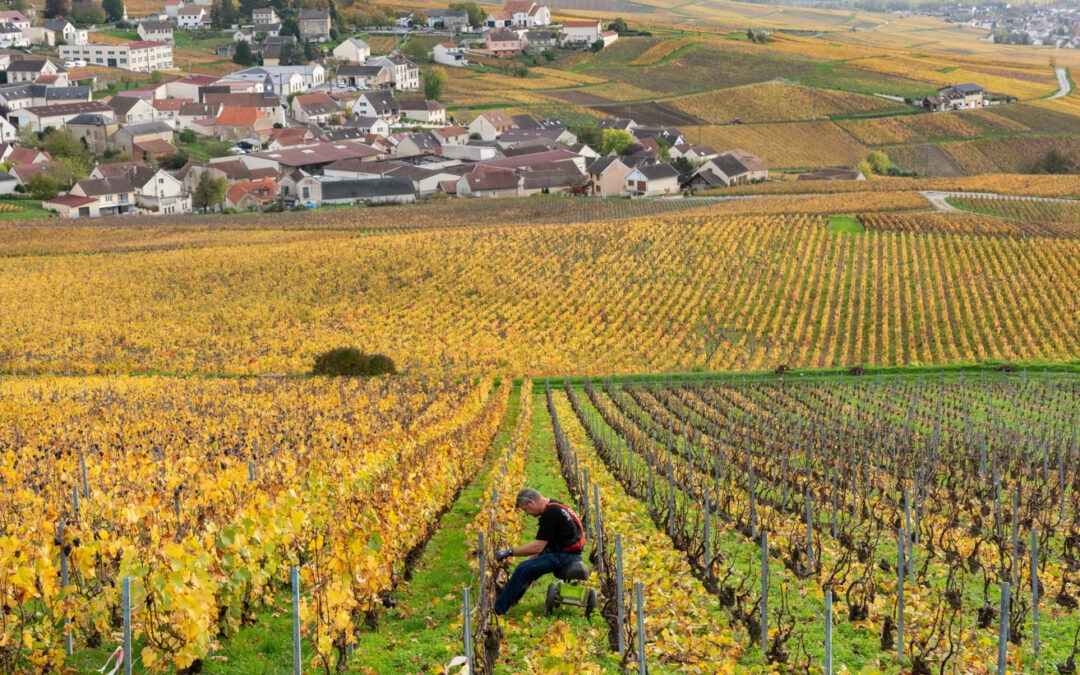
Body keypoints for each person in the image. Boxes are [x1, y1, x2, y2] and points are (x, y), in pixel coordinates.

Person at [492, 487, 585, 615]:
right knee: (529, 567)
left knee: (522, 569)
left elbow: (538, 547)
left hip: (566, 556)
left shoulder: (551, 513)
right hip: (566, 551)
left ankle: (498, 610)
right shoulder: (554, 505)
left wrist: (509, 552)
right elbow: (544, 544)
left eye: (525, 509)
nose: (527, 513)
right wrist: (533, 560)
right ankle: (511, 599)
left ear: (531, 502)